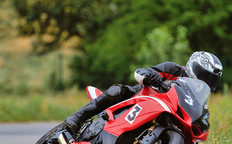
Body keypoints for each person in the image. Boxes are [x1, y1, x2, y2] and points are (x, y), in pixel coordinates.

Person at [64, 51, 223, 133]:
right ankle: (77, 117)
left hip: (163, 115)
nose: (205, 82)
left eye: (210, 80)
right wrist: (149, 76)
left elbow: (200, 113)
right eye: (203, 75)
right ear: (193, 65)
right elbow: (140, 72)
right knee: (117, 90)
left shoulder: (199, 94)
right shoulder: (173, 69)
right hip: (139, 98)